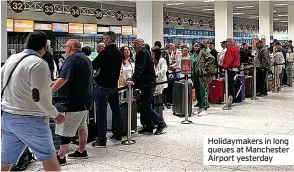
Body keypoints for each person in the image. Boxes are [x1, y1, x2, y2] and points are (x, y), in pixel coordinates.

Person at [1, 31, 65, 171]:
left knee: (5, 161)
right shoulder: (38, 63)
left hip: (8, 118)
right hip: (31, 120)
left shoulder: (12, 59)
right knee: (49, 158)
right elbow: (38, 97)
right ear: (45, 47)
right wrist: (56, 114)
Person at [51, 39, 93, 165]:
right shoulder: (85, 58)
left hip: (72, 102)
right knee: (82, 126)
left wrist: (50, 90)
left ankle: (61, 156)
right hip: (84, 100)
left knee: (66, 129)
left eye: (65, 47)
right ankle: (82, 150)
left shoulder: (71, 59)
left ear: (70, 48)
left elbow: (64, 78)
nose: (64, 49)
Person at [126, 38, 167, 135]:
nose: (134, 46)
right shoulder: (143, 53)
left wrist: (133, 79)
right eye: (134, 43)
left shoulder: (143, 53)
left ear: (141, 45)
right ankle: (148, 126)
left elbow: (140, 68)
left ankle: (161, 123)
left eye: (136, 44)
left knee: (146, 105)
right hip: (145, 83)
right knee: (143, 105)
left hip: (148, 84)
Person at [91, 31, 123, 147]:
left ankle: (101, 138)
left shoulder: (105, 53)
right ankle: (118, 133)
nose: (103, 40)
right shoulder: (118, 53)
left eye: (104, 38)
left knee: (101, 113)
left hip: (102, 86)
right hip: (113, 86)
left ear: (109, 39)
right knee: (116, 110)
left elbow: (93, 65)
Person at [193, 43, 215, 116]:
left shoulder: (203, 52)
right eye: (195, 46)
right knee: (197, 92)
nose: (196, 47)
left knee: (203, 91)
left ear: (200, 47)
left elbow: (212, 58)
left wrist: (205, 67)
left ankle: (205, 108)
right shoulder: (194, 54)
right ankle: (200, 107)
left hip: (202, 75)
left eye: (197, 46)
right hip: (195, 75)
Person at [223, 38, 240, 106]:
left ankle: (230, 100)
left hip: (230, 69)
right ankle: (233, 99)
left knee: (229, 85)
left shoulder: (230, 49)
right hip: (235, 68)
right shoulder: (236, 48)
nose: (226, 44)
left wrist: (225, 66)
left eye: (226, 42)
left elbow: (229, 60)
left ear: (229, 42)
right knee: (233, 84)